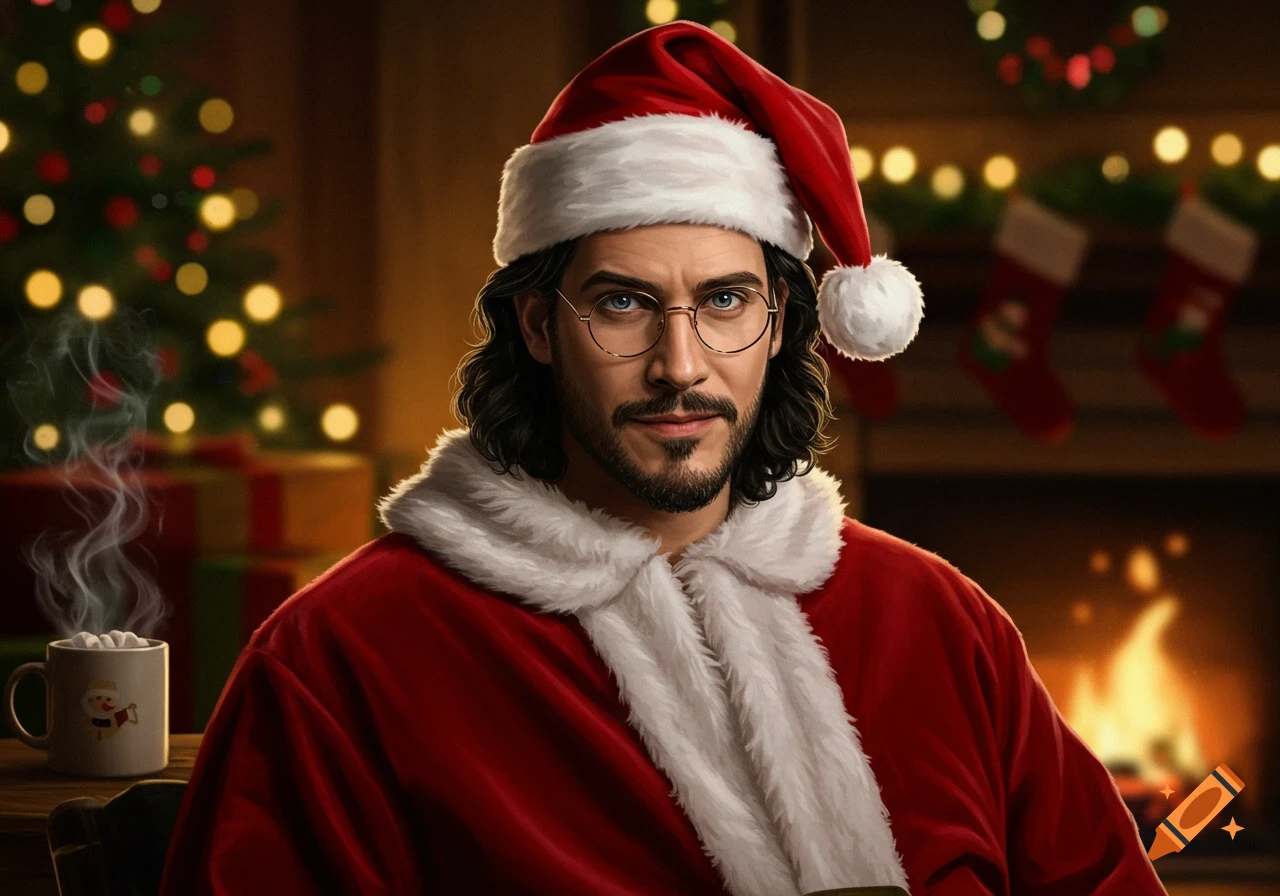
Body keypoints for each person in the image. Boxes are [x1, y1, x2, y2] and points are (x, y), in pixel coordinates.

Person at [160, 21, 1168, 896]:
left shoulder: (941, 623)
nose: (679, 365)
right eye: (622, 303)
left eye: (724, 300)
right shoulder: (343, 656)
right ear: (537, 325)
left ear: (782, 323)